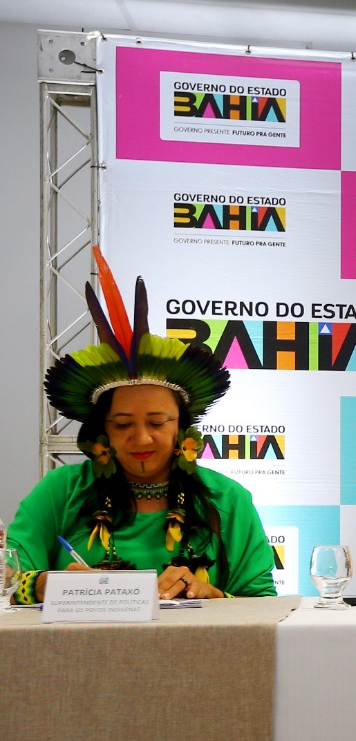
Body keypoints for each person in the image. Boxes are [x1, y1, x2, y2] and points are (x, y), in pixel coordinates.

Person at [9, 249, 276, 603]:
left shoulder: (227, 500)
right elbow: (7, 578)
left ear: (182, 427)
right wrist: (42, 584)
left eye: (157, 422)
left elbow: (264, 605)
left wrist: (212, 596)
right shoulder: (62, 491)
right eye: (122, 424)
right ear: (103, 431)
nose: (141, 437)